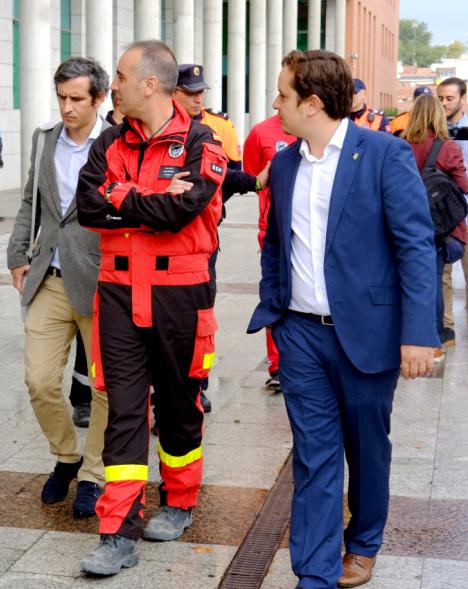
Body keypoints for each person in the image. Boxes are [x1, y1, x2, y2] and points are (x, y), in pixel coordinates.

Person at [248, 50, 438, 589]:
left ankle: (364, 541)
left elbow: (415, 247)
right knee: (315, 454)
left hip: (369, 334)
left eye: (283, 95)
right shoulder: (283, 164)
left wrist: (419, 333)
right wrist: (276, 305)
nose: (275, 105)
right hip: (301, 333)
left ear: (311, 103)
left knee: (367, 448)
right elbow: (273, 242)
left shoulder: (383, 154)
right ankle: (315, 572)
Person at [76, 41, 226, 576]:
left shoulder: (201, 142)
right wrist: (136, 198)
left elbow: (181, 212)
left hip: (180, 299)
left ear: (148, 84)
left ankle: (181, 500)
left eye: (119, 76)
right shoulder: (109, 142)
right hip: (117, 294)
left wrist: (122, 196)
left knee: (180, 408)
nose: (111, 84)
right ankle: (118, 531)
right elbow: (88, 208)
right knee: (123, 411)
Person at [6, 56, 111, 520]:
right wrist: (16, 255)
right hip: (47, 275)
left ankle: (94, 474)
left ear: (99, 99)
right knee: (40, 380)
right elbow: (32, 198)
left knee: (105, 388)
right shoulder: (44, 139)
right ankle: (67, 455)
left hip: (100, 277)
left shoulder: (117, 142)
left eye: (76, 99)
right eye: (61, 98)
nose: (67, 108)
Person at [174, 62, 263, 412]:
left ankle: (199, 385)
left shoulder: (212, 130)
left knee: (200, 316)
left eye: (201, 93)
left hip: (202, 239)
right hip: (164, 239)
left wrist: (255, 182)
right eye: (190, 93)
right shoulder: (158, 131)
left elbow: (226, 173)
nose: (198, 100)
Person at [402, 94, 468, 359]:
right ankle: (438, 336)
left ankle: (406, 333)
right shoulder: (448, 147)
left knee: (407, 279)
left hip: (405, 223)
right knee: (435, 279)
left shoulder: (401, 144)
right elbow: (464, 186)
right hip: (438, 228)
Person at [242, 114, 296, 392]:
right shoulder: (261, 132)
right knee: (276, 294)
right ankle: (277, 365)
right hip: (272, 231)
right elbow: (254, 174)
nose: (278, 103)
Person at [437, 77, 468, 347]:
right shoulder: (436, 131)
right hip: (446, 220)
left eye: (450, 98)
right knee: (443, 276)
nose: (444, 103)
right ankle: (447, 330)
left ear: (463, 99)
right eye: (441, 98)